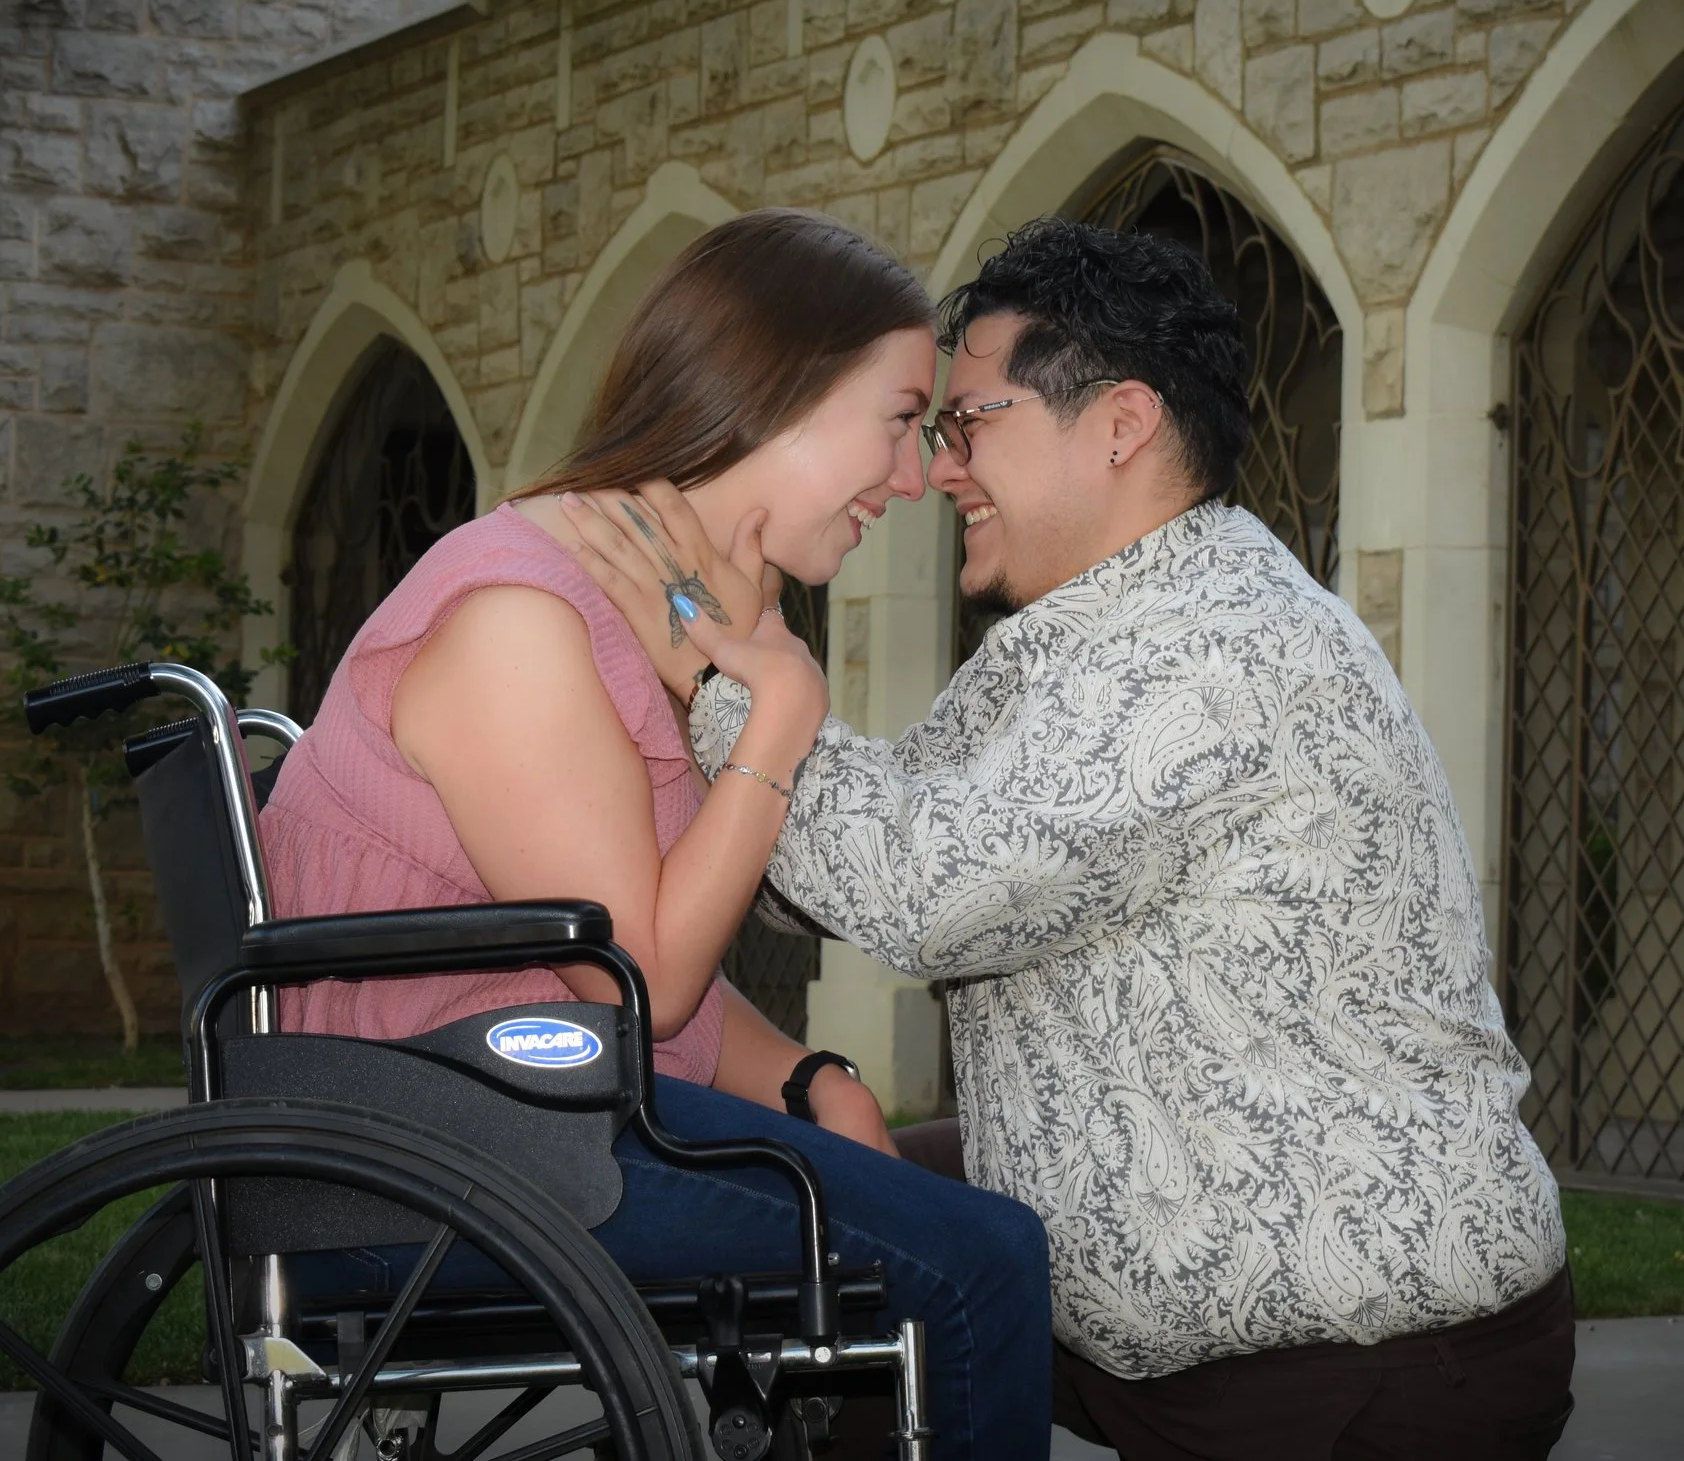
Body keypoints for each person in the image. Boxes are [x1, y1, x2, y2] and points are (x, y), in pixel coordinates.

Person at [562, 217, 1575, 1461]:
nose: (935, 471)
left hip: (1348, 1364)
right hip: (1162, 1288)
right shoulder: (1076, 638)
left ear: (1120, 424)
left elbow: (917, 886)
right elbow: (846, 855)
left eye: (967, 423)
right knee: (825, 1212)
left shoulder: (1212, 653)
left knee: (849, 1227)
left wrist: (720, 676)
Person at [260, 208, 1052, 1461]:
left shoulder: (626, 605)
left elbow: (614, 962)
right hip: (431, 1160)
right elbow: (638, 974)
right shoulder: (519, 616)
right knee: (980, 1259)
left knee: (934, 1207)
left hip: (523, 1117)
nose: (912, 480)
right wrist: (781, 717)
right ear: (774, 394)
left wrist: (806, 1075)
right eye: (900, 419)